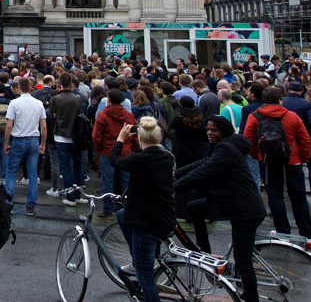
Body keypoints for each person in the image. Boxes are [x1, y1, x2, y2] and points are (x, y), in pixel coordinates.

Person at [175, 115, 266, 301]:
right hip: (233, 202)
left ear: (223, 131)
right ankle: (204, 252)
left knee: (243, 261)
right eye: (207, 129)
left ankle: (251, 298)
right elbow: (202, 163)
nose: (209, 133)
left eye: (214, 130)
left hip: (244, 209)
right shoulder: (226, 146)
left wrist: (171, 188)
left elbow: (204, 171)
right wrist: (176, 173)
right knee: (194, 207)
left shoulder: (226, 148)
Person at [108, 117, 174, 302]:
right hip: (164, 215)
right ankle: (136, 258)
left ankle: (138, 264)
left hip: (146, 222)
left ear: (140, 139)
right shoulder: (167, 156)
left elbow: (113, 160)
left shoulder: (139, 159)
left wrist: (120, 139)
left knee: (145, 280)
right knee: (122, 215)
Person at [244, 85, 311, 240]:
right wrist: (304, 158)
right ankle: (307, 233)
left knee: (275, 196)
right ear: (280, 100)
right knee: (298, 196)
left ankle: (283, 232)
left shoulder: (255, 116)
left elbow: (248, 140)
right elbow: (304, 140)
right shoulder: (292, 116)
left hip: (268, 160)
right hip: (293, 160)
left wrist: (257, 155)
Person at [3, 77, 47, 216]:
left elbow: (9, 125)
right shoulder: (39, 103)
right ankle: (30, 206)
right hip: (34, 140)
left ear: (19, 88)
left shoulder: (14, 103)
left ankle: (9, 202)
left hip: (19, 139)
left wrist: (6, 143)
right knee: (33, 175)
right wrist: (43, 144)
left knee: (11, 172)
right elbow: (44, 126)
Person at [92, 88, 136, 219]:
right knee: (126, 182)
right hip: (125, 151)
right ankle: (127, 209)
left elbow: (96, 136)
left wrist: (98, 150)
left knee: (108, 183)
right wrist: (132, 148)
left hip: (108, 151)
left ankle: (107, 211)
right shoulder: (129, 115)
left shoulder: (103, 115)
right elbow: (134, 134)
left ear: (109, 99)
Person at [49, 72, 85, 206]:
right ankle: (77, 194)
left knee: (65, 166)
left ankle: (70, 196)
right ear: (71, 83)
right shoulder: (77, 98)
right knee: (77, 164)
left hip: (61, 135)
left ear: (59, 83)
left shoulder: (57, 99)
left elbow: (52, 113)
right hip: (74, 135)